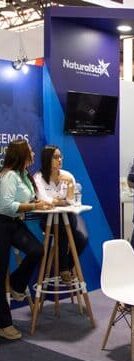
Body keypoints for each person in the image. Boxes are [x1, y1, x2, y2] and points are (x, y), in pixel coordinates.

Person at [0, 139, 52, 340]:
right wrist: (33, 206)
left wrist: (37, 202)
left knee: (37, 250)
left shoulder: (23, 175)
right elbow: (6, 206)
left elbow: (26, 199)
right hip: (2, 223)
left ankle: (16, 284)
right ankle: (4, 324)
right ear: (22, 154)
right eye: (30, 150)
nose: (33, 153)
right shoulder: (9, 176)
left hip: (14, 223)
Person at [34, 145, 88, 283]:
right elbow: (43, 199)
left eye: (60, 156)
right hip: (47, 219)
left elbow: (71, 201)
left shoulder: (68, 176)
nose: (59, 160)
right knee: (62, 229)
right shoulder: (38, 177)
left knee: (82, 239)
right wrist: (60, 202)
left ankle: (67, 266)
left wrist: (69, 184)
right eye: (56, 157)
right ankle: (63, 269)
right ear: (47, 159)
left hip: (69, 216)